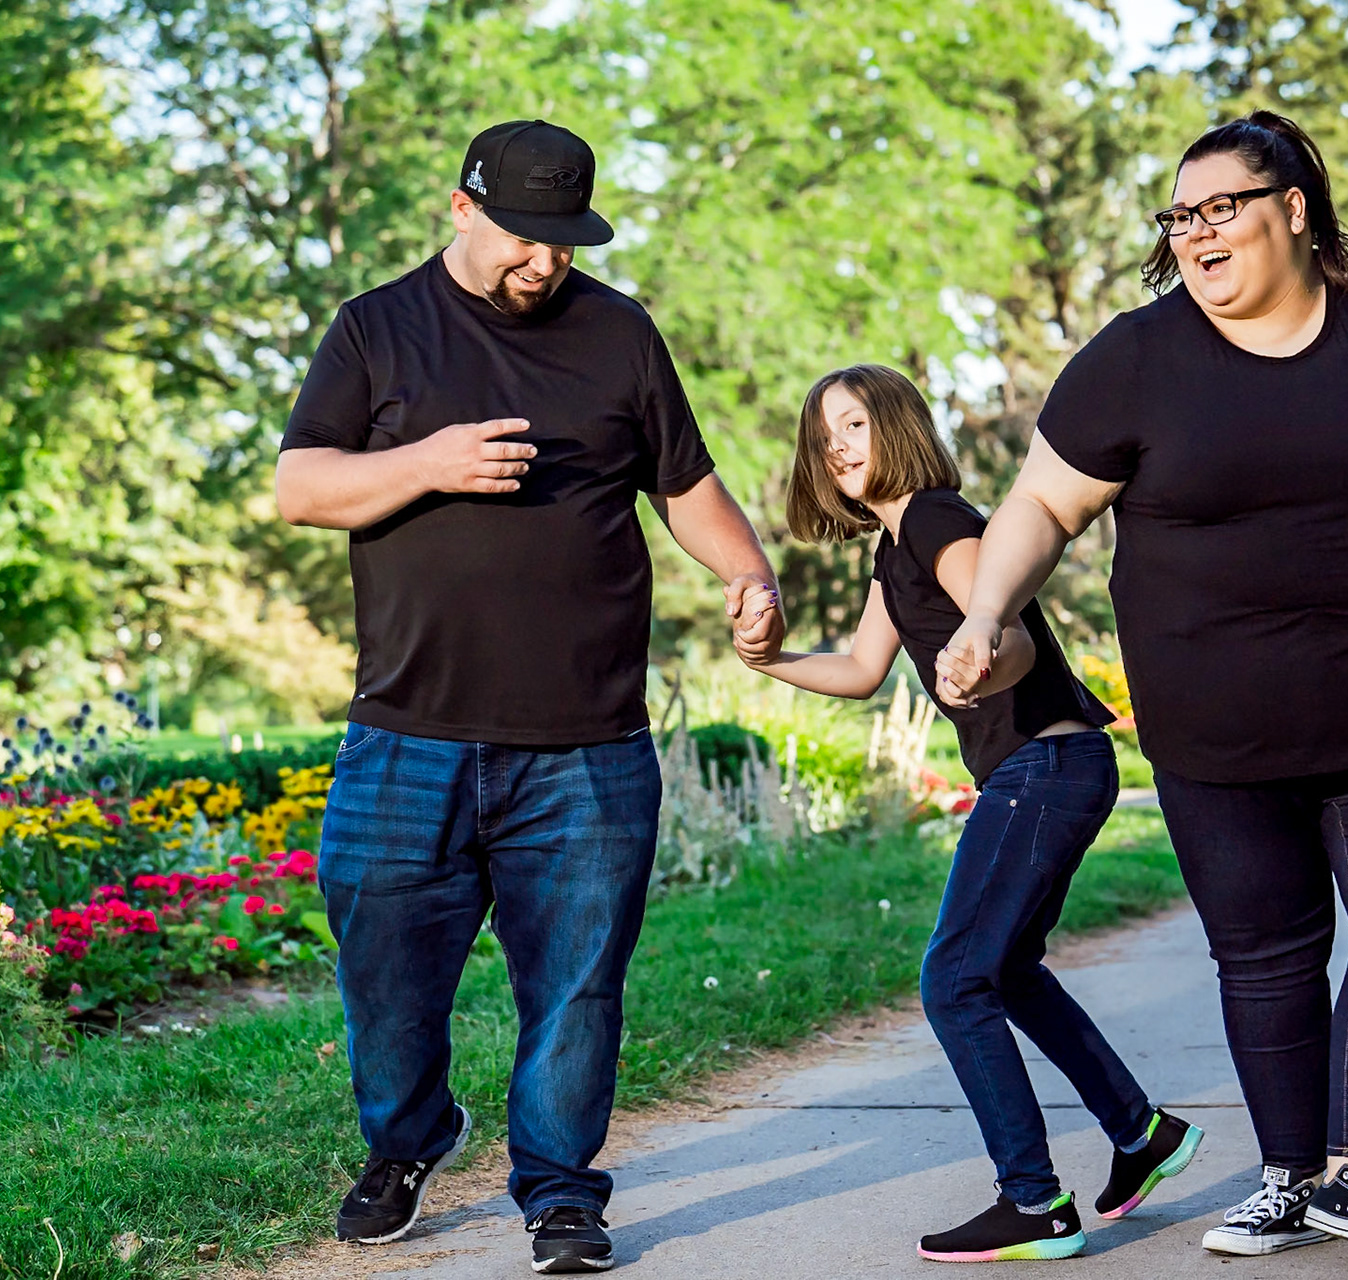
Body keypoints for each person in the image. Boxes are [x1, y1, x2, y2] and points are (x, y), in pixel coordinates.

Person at [941, 112, 1348, 1262]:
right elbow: (1040, 504)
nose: (1197, 233)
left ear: (1294, 206)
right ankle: (1292, 1177)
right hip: (1217, 743)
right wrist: (988, 615)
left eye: (1221, 207)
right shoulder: (1137, 358)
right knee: (1266, 956)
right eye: (1180, 216)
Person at [275, 119, 783, 1276]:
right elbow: (300, 484)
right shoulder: (375, 328)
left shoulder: (619, 334)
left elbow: (687, 486)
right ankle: (408, 1140)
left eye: (562, 241)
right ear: (460, 208)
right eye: (520, 237)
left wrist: (748, 574)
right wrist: (428, 464)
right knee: (386, 974)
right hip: (408, 733)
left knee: (575, 985)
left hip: (588, 742)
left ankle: (560, 1189)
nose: (542, 263)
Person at [735, 365, 1203, 1263]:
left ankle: (1033, 1201)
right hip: (1053, 766)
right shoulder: (895, 543)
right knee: (1009, 970)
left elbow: (1010, 622)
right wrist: (771, 661)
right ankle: (1142, 1135)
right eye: (823, 434)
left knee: (955, 979)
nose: (837, 446)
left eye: (856, 424)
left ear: (900, 427)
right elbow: (864, 670)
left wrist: (983, 651)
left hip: (1045, 763)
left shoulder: (940, 520)